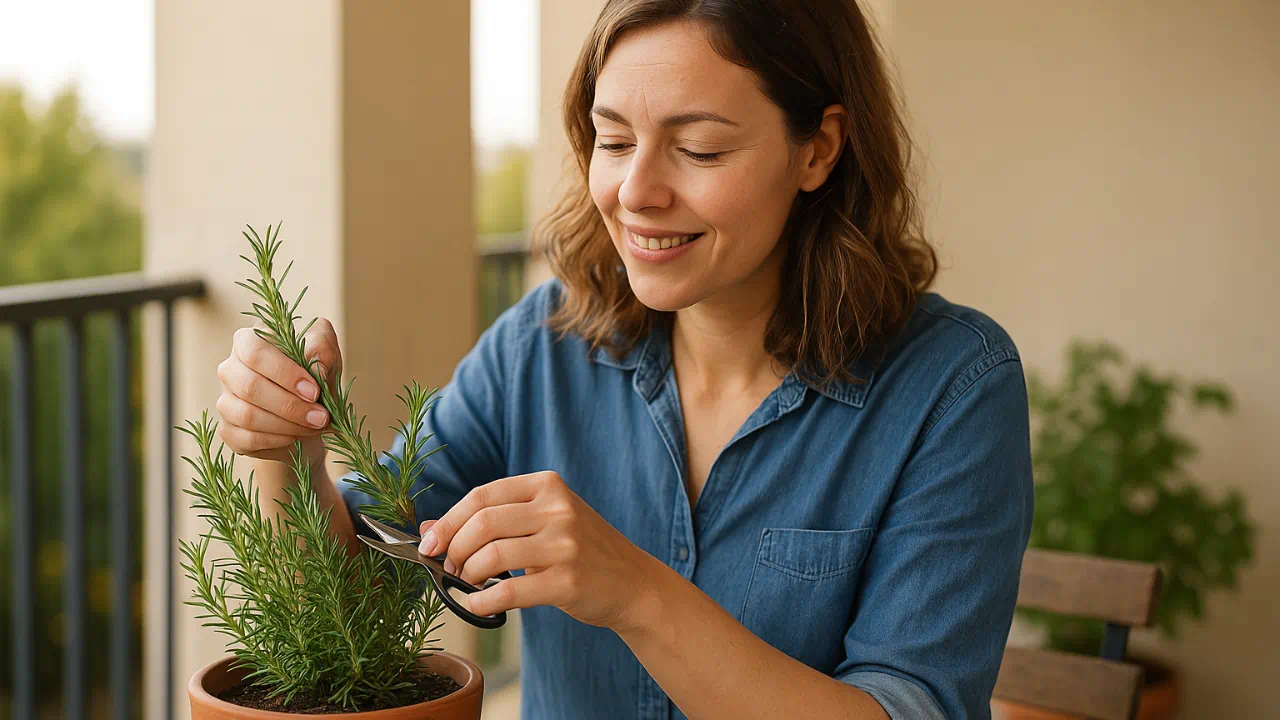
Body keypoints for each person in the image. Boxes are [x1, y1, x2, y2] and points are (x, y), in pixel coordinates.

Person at [215, 1, 1033, 717]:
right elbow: (347, 601)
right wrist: (289, 454)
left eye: (701, 150)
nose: (636, 192)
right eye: (613, 140)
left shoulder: (953, 387)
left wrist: (636, 593)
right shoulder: (540, 344)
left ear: (818, 149)